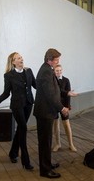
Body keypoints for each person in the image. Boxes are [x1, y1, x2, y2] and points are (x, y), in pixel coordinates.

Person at [0, 52, 36, 170]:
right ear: (13, 62)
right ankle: (25, 161)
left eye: (21, 57)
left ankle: (13, 153)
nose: (21, 59)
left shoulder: (29, 71)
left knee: (20, 129)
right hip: (17, 106)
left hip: (28, 104)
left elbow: (36, 85)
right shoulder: (8, 75)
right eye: (18, 58)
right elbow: (6, 93)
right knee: (23, 128)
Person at [33, 48, 69, 179]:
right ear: (49, 60)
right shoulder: (46, 72)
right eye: (56, 60)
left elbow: (54, 90)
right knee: (45, 142)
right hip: (44, 112)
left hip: (46, 111)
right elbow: (50, 94)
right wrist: (61, 108)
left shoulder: (47, 69)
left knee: (47, 141)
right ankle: (45, 170)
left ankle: (47, 164)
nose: (58, 62)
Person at [52, 64, 77, 152]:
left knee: (66, 124)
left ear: (62, 71)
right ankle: (57, 144)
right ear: (54, 71)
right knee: (56, 125)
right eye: (57, 71)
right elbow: (56, 92)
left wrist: (67, 107)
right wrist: (66, 92)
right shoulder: (52, 80)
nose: (58, 72)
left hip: (64, 105)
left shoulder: (66, 80)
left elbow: (68, 95)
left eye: (60, 70)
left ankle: (71, 144)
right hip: (55, 105)